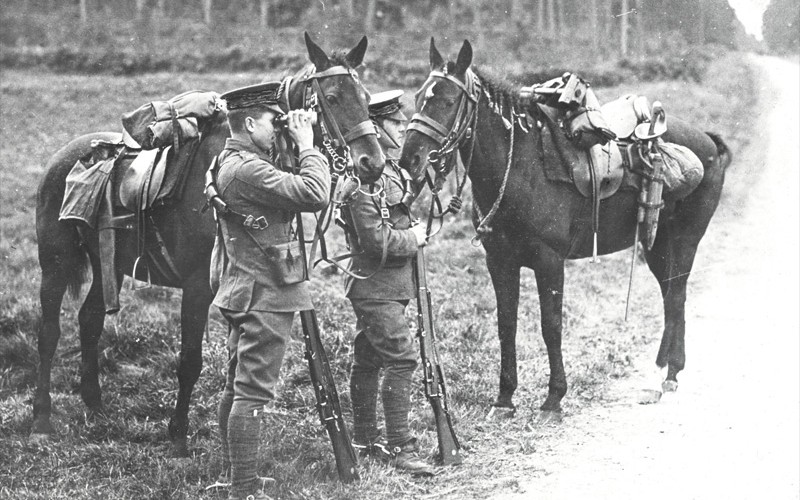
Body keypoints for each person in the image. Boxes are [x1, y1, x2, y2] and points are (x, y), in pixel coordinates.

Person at [211, 81, 330, 500]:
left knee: (237, 384)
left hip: (245, 287)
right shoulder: (248, 169)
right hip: (265, 293)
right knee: (253, 390)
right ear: (248, 122)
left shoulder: (230, 161)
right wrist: (309, 144)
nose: (276, 128)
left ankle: (235, 476)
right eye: (270, 121)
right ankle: (242, 488)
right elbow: (314, 193)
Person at [342, 89, 434, 476]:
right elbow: (376, 241)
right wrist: (413, 238)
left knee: (369, 359)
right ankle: (400, 446)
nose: (403, 129)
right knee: (402, 358)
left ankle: (364, 438)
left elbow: (397, 206)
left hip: (389, 288)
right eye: (397, 123)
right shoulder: (362, 182)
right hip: (374, 287)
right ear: (377, 127)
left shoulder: (390, 171)